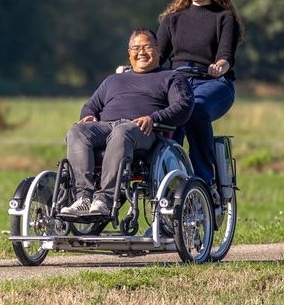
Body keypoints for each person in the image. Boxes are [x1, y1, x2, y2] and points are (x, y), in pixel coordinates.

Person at [61, 28, 194, 216]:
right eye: (136, 48)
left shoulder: (171, 77)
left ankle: (104, 200)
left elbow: (183, 106)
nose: (141, 52)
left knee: (122, 131)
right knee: (77, 131)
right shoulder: (113, 80)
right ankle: (83, 198)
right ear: (129, 53)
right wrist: (89, 115)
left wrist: (153, 118)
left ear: (158, 50)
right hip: (106, 126)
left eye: (147, 47)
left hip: (144, 130)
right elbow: (91, 105)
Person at [157, 0, 244, 197]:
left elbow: (226, 55)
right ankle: (168, 189)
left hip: (213, 83)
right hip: (177, 82)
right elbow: (157, 57)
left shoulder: (224, 18)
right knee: (161, 119)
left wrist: (221, 66)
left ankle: (206, 182)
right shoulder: (171, 19)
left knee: (195, 109)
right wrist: (131, 68)